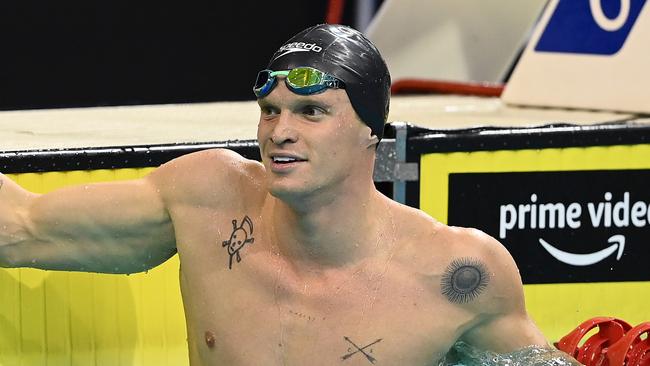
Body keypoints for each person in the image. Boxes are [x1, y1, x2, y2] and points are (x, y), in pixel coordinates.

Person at [0, 24, 580, 365]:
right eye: (271, 111)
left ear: (369, 132)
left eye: (311, 112)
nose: (280, 132)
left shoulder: (457, 273)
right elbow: (20, 225)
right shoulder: (206, 199)